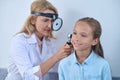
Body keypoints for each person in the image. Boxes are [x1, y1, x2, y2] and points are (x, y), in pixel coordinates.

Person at [5, 0, 72, 80]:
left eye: (52, 21)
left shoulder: (48, 43)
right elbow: (28, 76)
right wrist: (56, 56)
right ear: (33, 20)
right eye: (45, 20)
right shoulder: (19, 41)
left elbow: (56, 68)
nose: (50, 26)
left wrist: (71, 53)